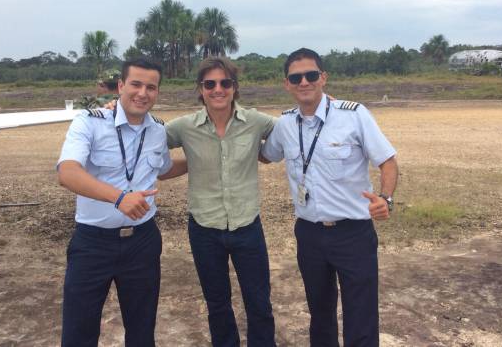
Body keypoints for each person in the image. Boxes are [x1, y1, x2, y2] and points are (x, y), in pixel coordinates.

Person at [261, 48, 399, 347]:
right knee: (319, 314)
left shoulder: (353, 115)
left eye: (311, 75)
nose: (304, 82)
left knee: (360, 314)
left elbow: (387, 160)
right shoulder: (284, 124)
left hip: (353, 234)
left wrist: (384, 198)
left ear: (323, 77)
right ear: (287, 84)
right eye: (296, 77)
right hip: (309, 234)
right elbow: (264, 154)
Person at [57, 58, 173, 347]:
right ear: (121, 86)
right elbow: (67, 172)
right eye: (135, 84)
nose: (142, 93)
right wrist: (119, 198)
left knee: (142, 329)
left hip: (143, 243)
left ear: (157, 92)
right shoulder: (90, 122)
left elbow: (165, 169)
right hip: (92, 244)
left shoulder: (159, 130)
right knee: (79, 331)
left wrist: (206, 161)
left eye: (151, 87)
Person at [163, 57, 277, 347]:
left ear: (234, 87)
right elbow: (146, 138)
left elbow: (292, 131)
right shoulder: (184, 127)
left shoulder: (256, 122)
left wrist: (263, 153)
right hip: (204, 229)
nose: (218, 89)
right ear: (200, 89)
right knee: (217, 303)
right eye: (210, 83)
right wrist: (115, 108)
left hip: (247, 225)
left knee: (259, 302)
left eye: (225, 83)